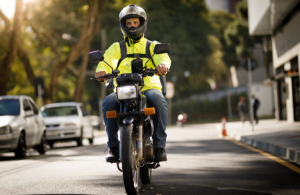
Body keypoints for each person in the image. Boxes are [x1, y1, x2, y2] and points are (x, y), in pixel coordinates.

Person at [94, 5, 171, 163]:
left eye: (135, 22)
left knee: (158, 100)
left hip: (148, 88)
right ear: (123, 25)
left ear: (142, 23)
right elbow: (106, 63)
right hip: (124, 89)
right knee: (108, 101)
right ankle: (113, 147)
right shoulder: (116, 48)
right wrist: (101, 71)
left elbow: (163, 58)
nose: (132, 26)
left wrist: (163, 66)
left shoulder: (152, 46)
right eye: (128, 23)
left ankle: (159, 146)